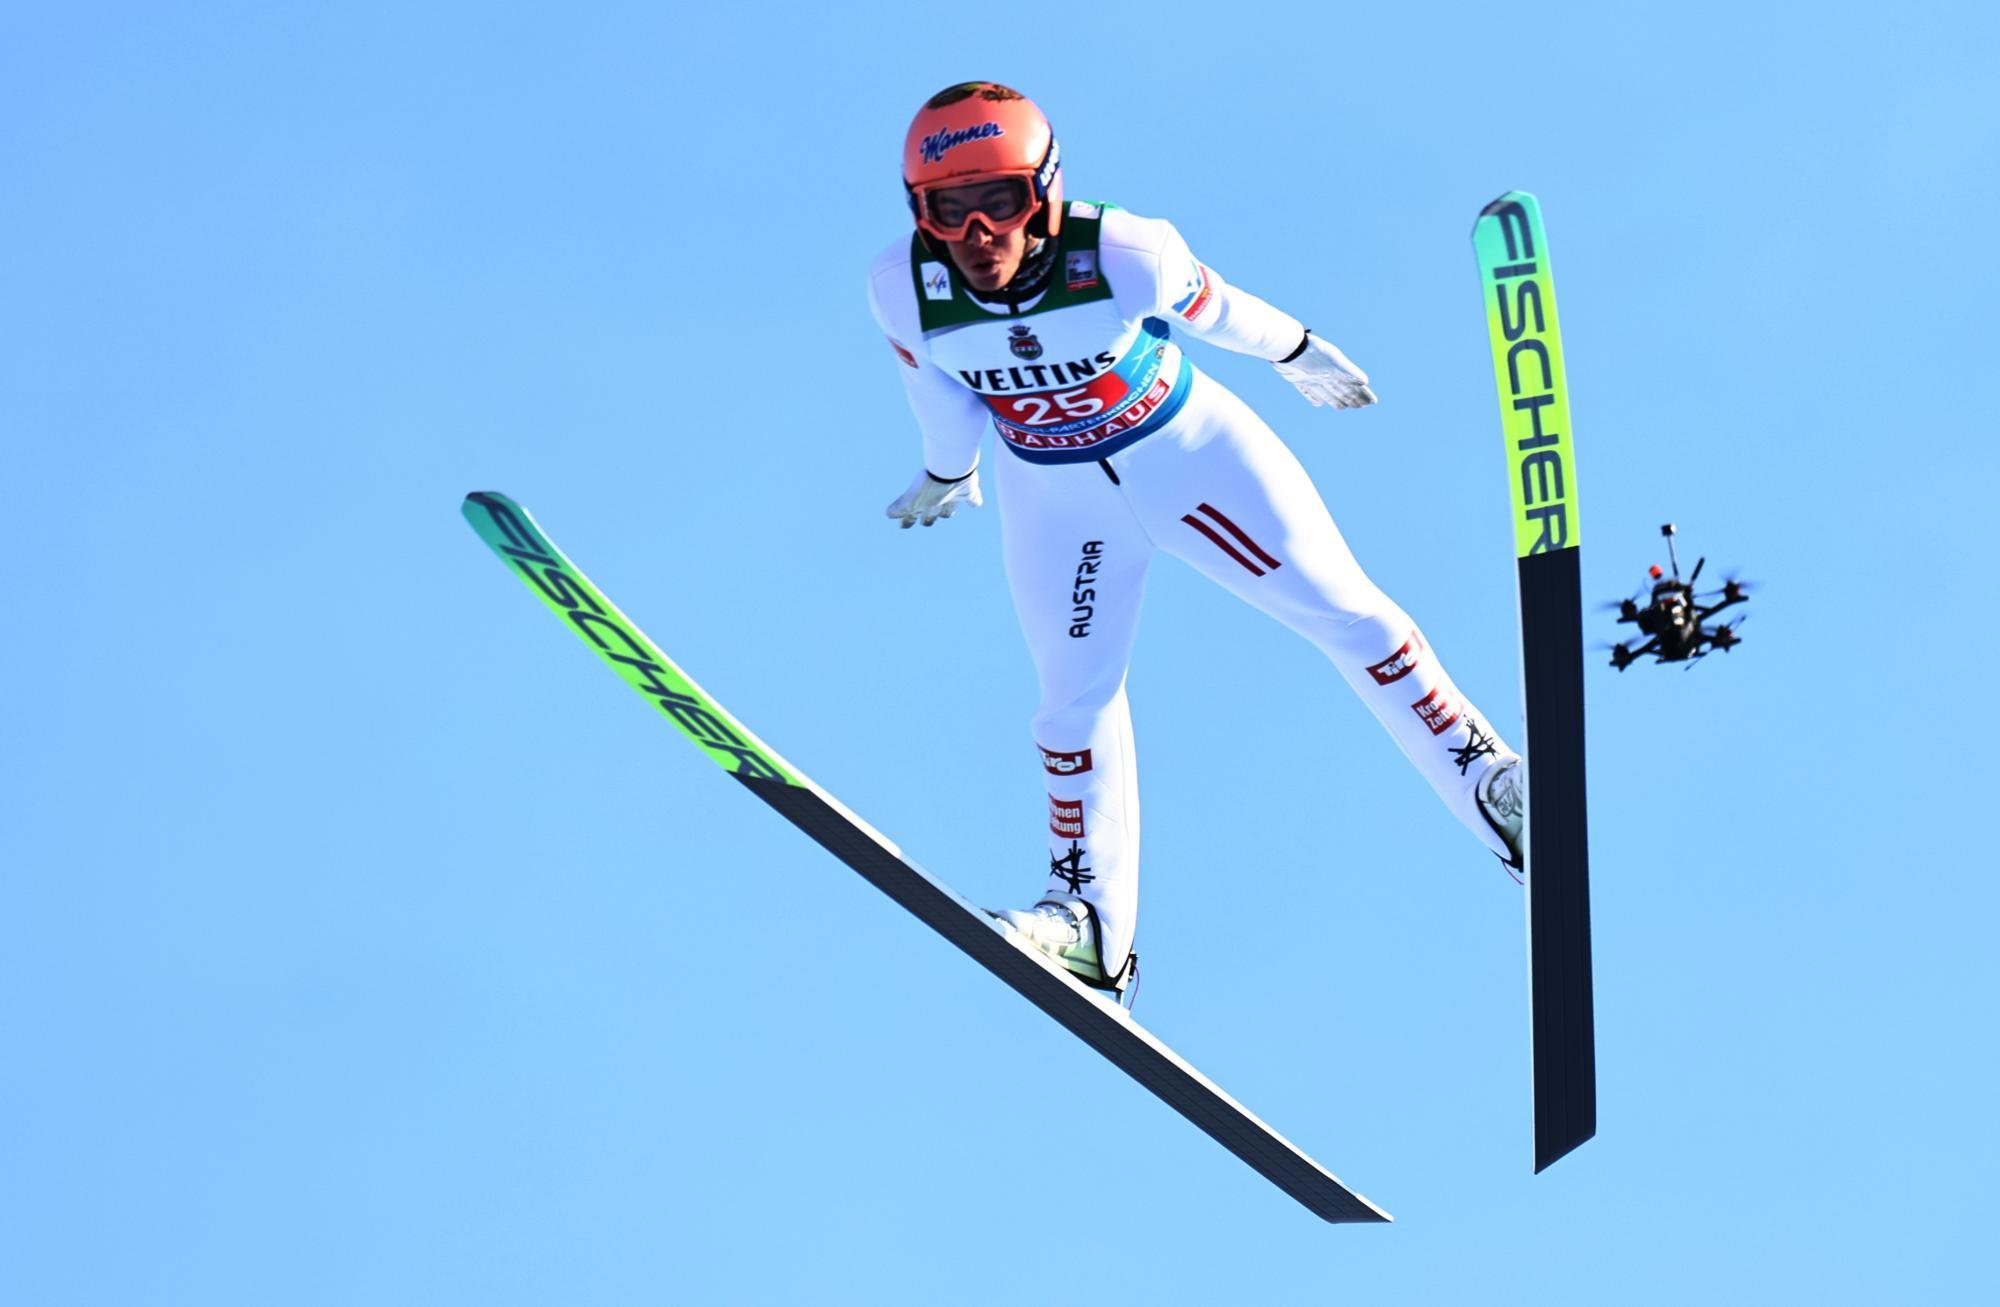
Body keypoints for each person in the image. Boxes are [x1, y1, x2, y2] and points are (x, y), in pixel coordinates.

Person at [867, 82, 1523, 999]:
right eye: (948, 209)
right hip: (1057, 501)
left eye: (1000, 203)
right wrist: (947, 468)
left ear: (1046, 196)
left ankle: (1493, 786)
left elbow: (1223, 311)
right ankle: (1089, 923)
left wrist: (1298, 352)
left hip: (1189, 458)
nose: (977, 233)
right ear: (919, 212)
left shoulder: (1128, 252)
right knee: (1070, 703)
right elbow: (938, 391)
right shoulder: (906, 288)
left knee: (1349, 614)